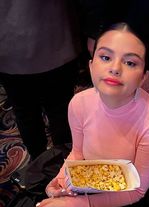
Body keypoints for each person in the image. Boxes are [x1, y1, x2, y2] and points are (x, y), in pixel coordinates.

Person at [0, 22, 149, 207]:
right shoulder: (79, 103)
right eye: (105, 57)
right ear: (91, 66)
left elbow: (137, 190)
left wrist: (74, 206)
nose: (114, 68)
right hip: (86, 175)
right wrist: (61, 180)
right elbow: (77, 152)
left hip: (128, 197)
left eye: (130, 62)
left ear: (143, 77)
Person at [0, 0, 106, 160]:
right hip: (54, 38)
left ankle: (40, 164)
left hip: (12, 45)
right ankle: (61, 162)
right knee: (58, 110)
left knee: (26, 111)